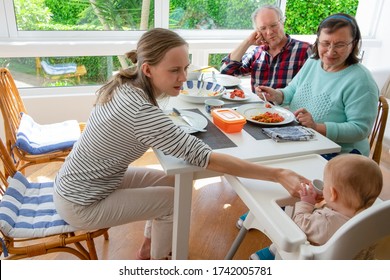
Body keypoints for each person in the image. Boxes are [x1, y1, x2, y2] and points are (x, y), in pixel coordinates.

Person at [53, 28, 310, 260]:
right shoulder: (139, 110)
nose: (184, 77)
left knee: (175, 184)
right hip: (81, 201)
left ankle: (148, 248)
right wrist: (277, 173)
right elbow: (206, 157)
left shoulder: (125, 83)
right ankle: (160, 262)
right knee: (173, 202)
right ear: (148, 69)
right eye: (174, 70)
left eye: (185, 68)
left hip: (87, 180)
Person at [247, 12, 380, 259]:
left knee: (291, 175)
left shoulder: (361, 80)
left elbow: (360, 129)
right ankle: (269, 211)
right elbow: (290, 92)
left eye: (340, 44)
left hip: (341, 156)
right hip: (302, 138)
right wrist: (276, 94)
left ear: (354, 45)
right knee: (263, 156)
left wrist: (318, 126)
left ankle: (282, 244)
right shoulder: (311, 63)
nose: (330, 51)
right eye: (325, 43)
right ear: (317, 41)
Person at [251, 154, 383, 260]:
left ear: (332, 194)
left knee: (288, 227)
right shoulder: (372, 219)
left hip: (314, 259)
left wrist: (306, 203)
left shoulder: (327, 222)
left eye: (325, 183)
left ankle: (274, 252)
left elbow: (299, 225)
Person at [220, 5, 312, 93]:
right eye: (263, 28)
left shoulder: (305, 50)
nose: (269, 32)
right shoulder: (257, 53)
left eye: (273, 25)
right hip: (257, 108)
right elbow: (226, 74)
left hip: (287, 108)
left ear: (282, 22)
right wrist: (247, 42)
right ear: (258, 31)